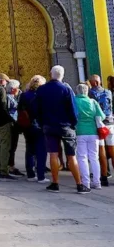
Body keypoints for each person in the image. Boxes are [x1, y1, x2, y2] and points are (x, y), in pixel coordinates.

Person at [36, 65, 87, 193]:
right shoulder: (66, 89)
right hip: (65, 126)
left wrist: (42, 123)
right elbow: (73, 110)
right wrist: (73, 124)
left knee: (53, 154)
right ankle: (79, 185)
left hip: (49, 126)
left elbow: (37, 109)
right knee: (71, 156)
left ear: (50, 74)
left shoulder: (42, 90)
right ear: (62, 75)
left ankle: (55, 183)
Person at [18, 75, 48, 183]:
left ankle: (30, 174)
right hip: (39, 126)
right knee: (41, 150)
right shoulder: (42, 95)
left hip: (27, 126)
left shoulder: (24, 95)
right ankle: (41, 175)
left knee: (29, 150)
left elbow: (20, 109)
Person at [74, 83, 104, 190]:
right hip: (93, 132)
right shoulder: (93, 101)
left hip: (80, 132)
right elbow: (101, 116)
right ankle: (97, 182)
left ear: (77, 91)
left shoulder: (74, 101)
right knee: (94, 158)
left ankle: (85, 183)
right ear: (87, 91)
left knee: (82, 158)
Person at [88, 74, 113, 186]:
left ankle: (104, 176)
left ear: (94, 83)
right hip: (110, 122)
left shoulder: (91, 93)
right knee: (112, 151)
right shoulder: (108, 92)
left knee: (101, 152)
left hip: (99, 124)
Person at [6, 80, 24, 177]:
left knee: (13, 146)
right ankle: (10, 166)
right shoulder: (9, 98)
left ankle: (10, 165)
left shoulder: (13, 97)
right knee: (11, 146)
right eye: (17, 88)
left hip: (14, 123)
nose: (19, 90)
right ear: (13, 89)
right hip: (12, 124)